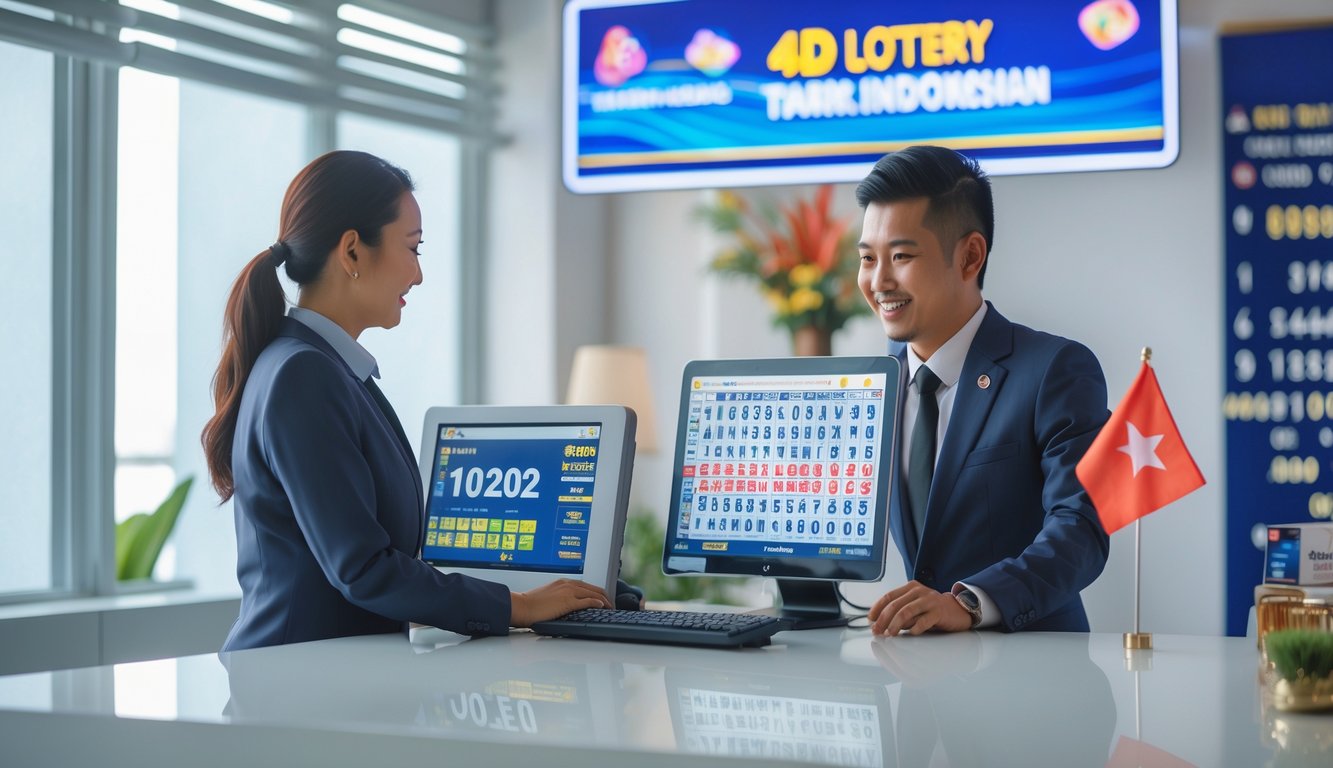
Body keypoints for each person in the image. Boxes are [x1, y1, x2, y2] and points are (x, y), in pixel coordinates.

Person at [202, 150, 610, 652]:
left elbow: (378, 562)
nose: (417, 275)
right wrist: (518, 606)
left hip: (324, 680)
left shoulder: (323, 368)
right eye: (413, 248)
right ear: (352, 252)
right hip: (295, 689)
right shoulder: (303, 375)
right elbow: (364, 569)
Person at [856, 146, 1110, 635]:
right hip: (919, 684)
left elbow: (1080, 530)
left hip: (1034, 680)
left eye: (902, 256)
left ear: (970, 255)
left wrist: (971, 602)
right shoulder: (870, 383)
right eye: (868, 259)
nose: (879, 281)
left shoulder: (1054, 370)